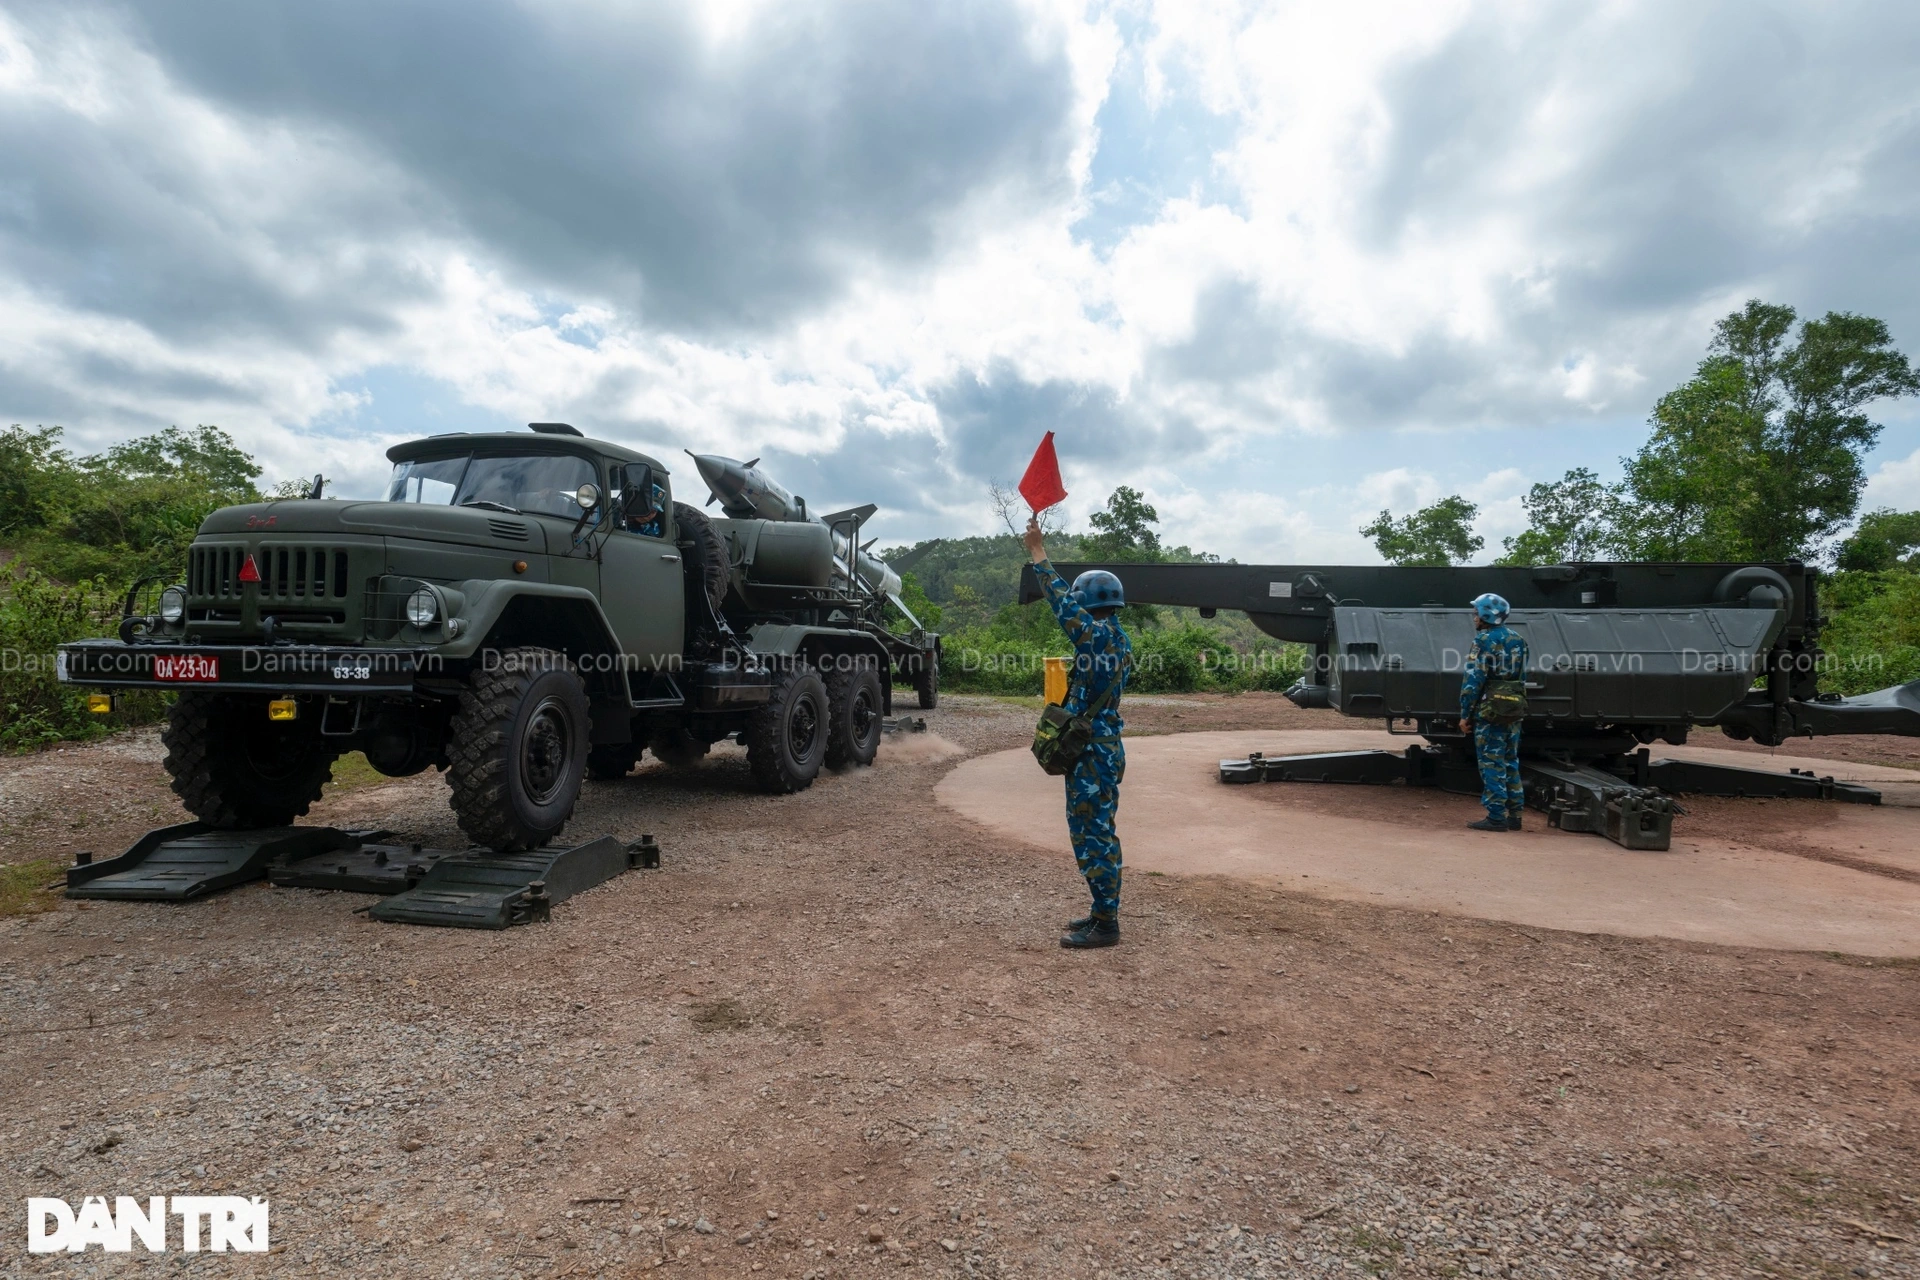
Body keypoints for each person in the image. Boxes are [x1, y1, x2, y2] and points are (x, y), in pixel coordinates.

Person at [1024, 515, 1133, 948]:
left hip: (1094, 754)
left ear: (1086, 603)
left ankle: (1106, 924)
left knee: (1093, 835)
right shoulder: (1117, 638)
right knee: (1097, 830)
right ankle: (1099, 909)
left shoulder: (1096, 638)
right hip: (1103, 750)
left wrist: (1038, 553)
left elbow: (1059, 605)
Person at [1457, 591, 1529, 831]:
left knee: (1491, 761)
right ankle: (1515, 815)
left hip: (1490, 711)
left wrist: (1465, 713)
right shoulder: (1518, 639)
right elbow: (1522, 677)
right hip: (1513, 708)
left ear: (1486, 615)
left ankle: (1496, 817)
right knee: (1510, 760)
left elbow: (1473, 680)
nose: (1474, 616)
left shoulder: (1483, 641)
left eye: (1476, 612)